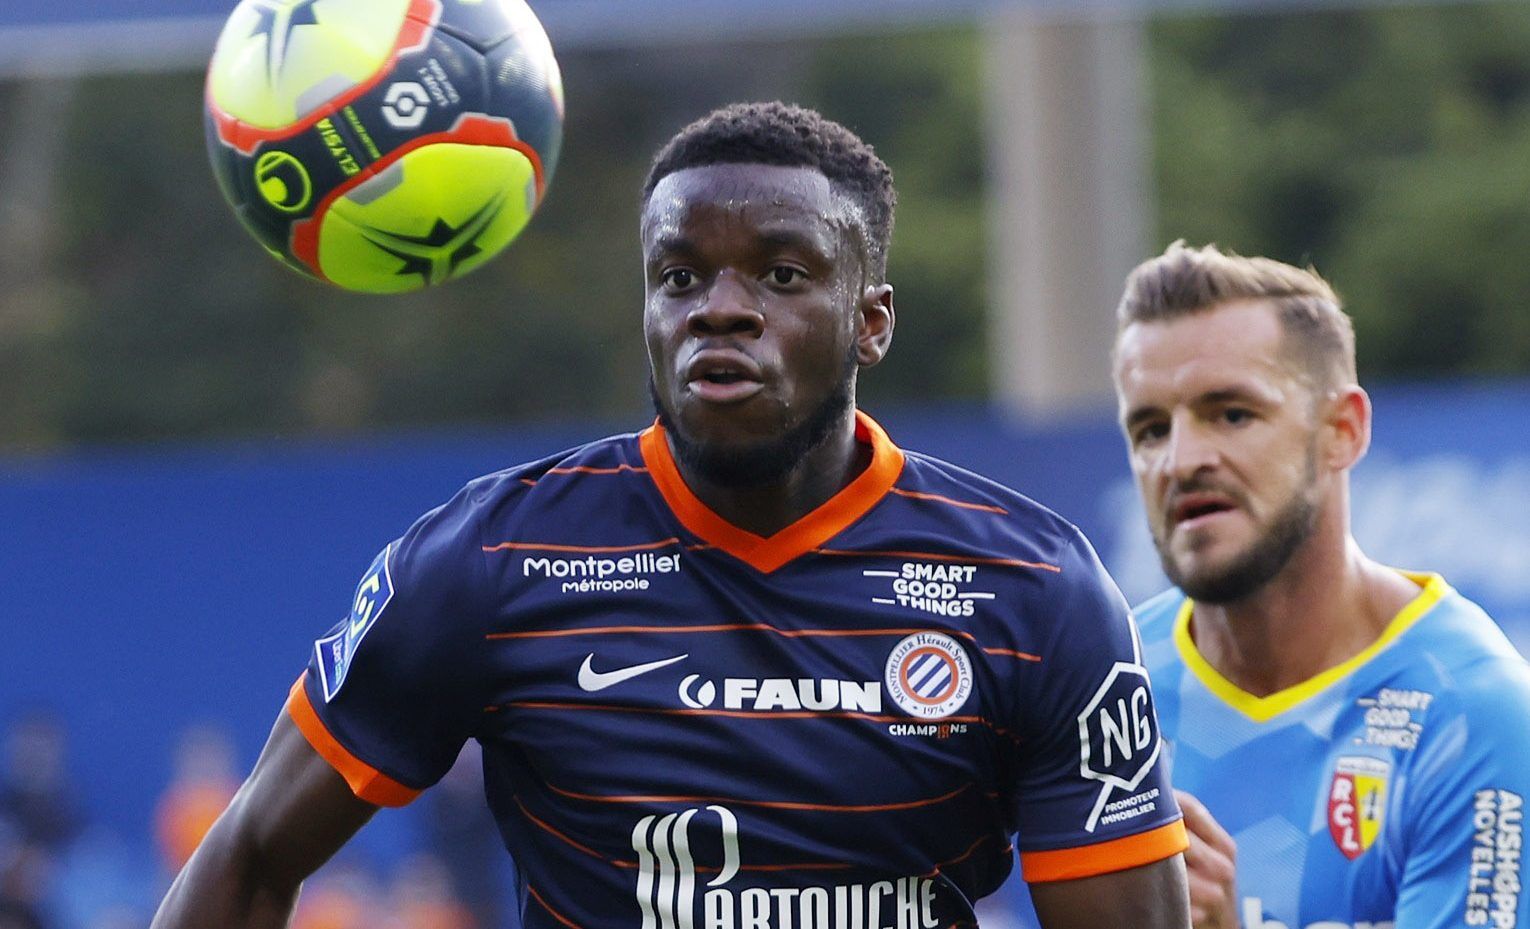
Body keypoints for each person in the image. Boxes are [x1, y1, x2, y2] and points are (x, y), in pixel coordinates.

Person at [153, 102, 1191, 929]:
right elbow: (249, 856)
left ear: (870, 321)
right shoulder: (493, 557)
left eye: (781, 273)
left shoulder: (1036, 589)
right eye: (679, 276)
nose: (719, 307)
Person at [1111, 242, 1530, 929]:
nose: (1180, 461)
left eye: (1232, 414)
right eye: (1151, 429)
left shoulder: (1472, 713)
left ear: (1343, 430)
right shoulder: (1107, 687)